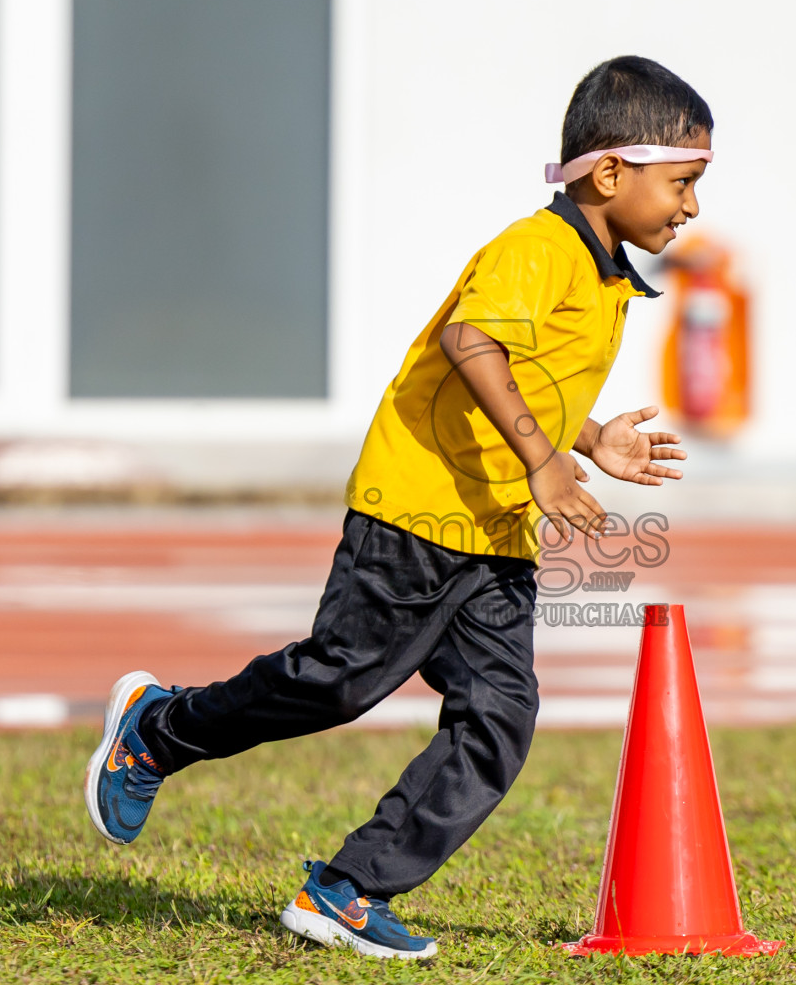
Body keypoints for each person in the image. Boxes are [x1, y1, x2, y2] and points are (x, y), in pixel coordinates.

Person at [83, 54, 713, 961]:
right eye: (683, 183)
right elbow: (472, 340)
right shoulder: (537, 250)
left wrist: (590, 436)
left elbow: (530, 374)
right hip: (417, 508)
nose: (691, 207)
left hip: (495, 534)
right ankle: (155, 729)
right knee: (339, 681)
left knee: (500, 718)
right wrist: (543, 456)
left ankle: (345, 890)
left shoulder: (605, 271)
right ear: (611, 173)